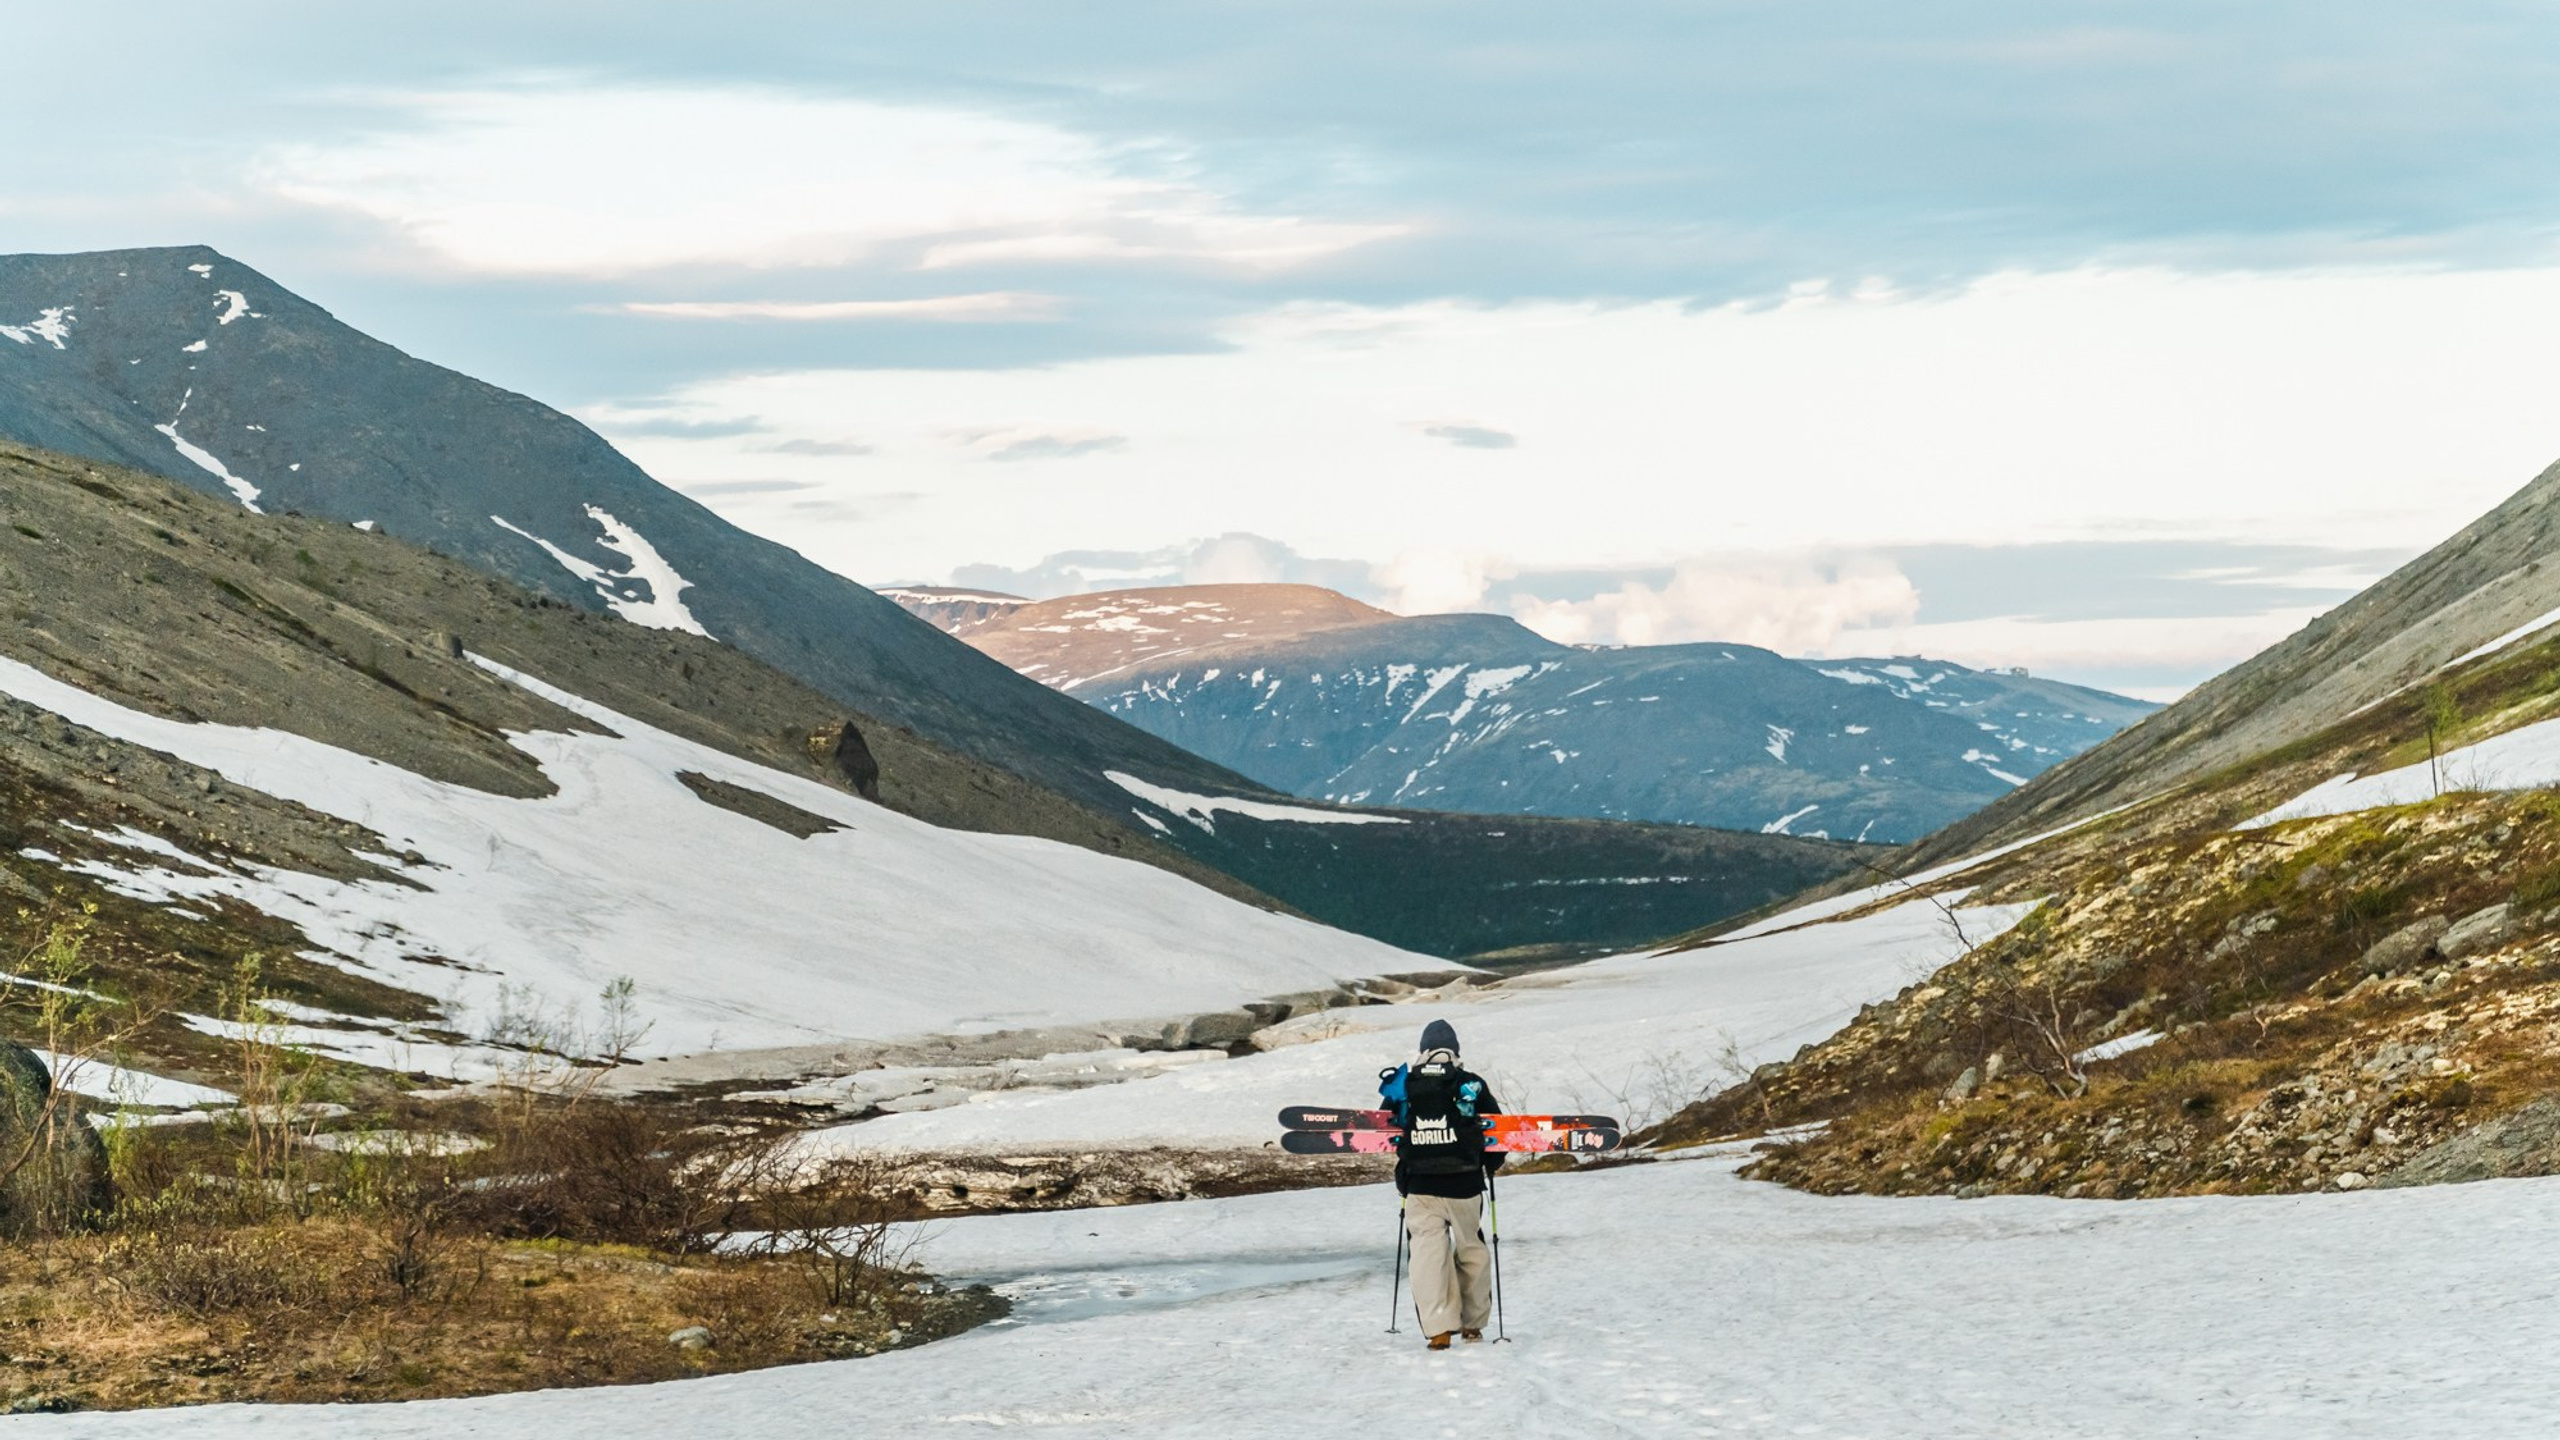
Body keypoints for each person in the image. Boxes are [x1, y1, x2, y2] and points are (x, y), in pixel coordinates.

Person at [1380, 1018, 1502, 1350]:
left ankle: (1439, 1329)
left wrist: (1405, 1169)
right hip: (1465, 1184)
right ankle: (1473, 1324)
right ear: (1455, 1051)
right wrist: (1487, 1166)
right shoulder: (1470, 1082)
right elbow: (1497, 1131)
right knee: (1471, 1250)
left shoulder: (1406, 1084)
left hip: (1420, 1185)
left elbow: (1385, 1129)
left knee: (1427, 1255)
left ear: (1424, 1050)